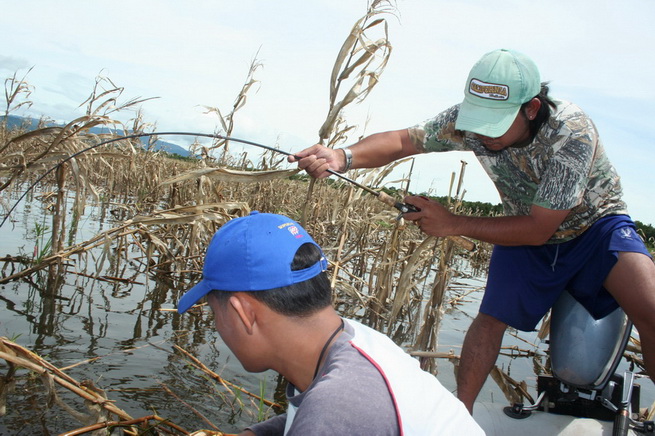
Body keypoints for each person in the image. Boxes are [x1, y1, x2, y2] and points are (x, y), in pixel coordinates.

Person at [289, 48, 655, 413]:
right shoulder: (467, 122)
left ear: (532, 108)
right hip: (522, 221)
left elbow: (540, 229)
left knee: (651, 309)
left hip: (594, 226)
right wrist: (343, 156)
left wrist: (454, 223)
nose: (482, 133)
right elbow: (405, 140)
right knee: (490, 319)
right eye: (479, 120)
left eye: (496, 123)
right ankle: (458, 416)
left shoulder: (570, 133)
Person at [178, 211, 483, 435]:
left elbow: (332, 418)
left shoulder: (338, 410)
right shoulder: (356, 339)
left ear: (243, 312)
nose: (217, 325)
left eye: (213, 311)